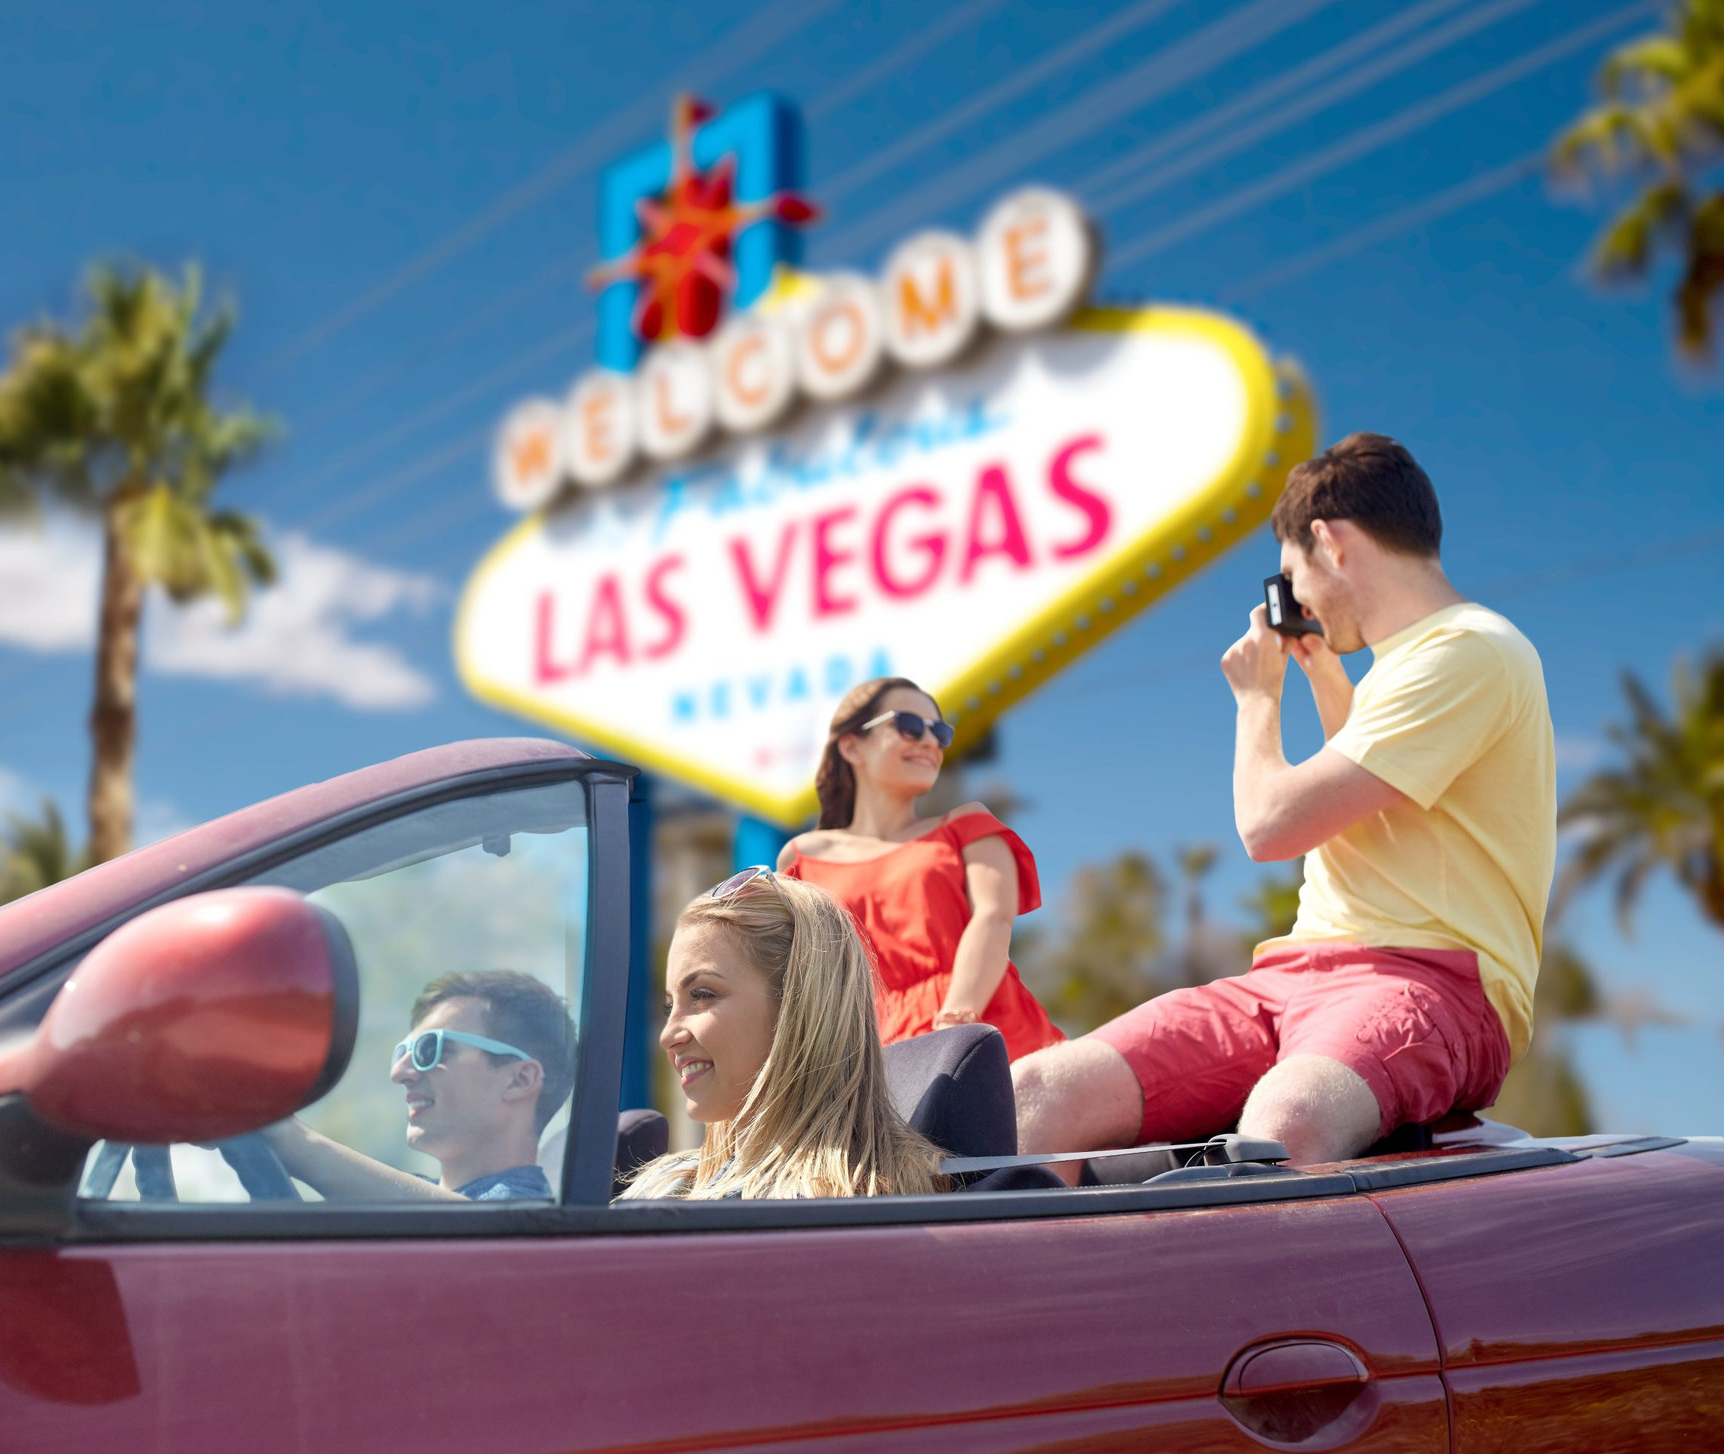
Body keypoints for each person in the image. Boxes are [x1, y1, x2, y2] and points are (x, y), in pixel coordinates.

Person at [1013, 431, 1556, 1167]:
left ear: (1330, 542)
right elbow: (1372, 806)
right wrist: (1327, 680)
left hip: (1433, 981)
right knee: (1038, 1095)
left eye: (1293, 574)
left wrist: (1256, 701)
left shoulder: (1468, 648)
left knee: (1286, 1124)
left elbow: (1270, 826)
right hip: (1291, 978)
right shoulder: (1411, 665)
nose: (1297, 600)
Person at [778, 677, 1063, 1063]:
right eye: (909, 725)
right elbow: (794, 978)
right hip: (866, 1052)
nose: (930, 741)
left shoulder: (967, 826)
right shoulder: (802, 860)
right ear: (852, 746)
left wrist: (955, 1025)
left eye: (940, 732)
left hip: (984, 1033)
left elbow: (993, 917)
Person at [620, 869, 946, 1199]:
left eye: (702, 995)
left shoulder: (822, 1209)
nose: (668, 1036)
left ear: (799, 1005)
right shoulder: (671, 1182)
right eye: (669, 1007)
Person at [264, 969, 576, 1201]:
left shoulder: (528, 1217)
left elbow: (486, 1229)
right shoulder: (412, 1198)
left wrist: (291, 1139)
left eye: (430, 1049)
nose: (399, 1072)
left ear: (519, 1080)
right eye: (402, 1052)